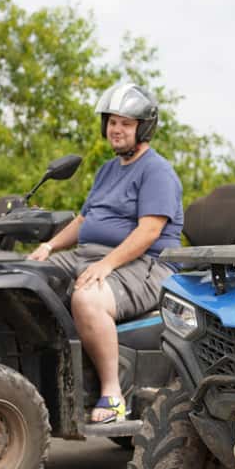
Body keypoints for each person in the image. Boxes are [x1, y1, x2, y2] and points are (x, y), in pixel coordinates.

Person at [28, 82, 184, 423]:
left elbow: (149, 231)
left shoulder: (157, 171)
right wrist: (49, 246)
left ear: (143, 128)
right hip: (89, 254)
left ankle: (113, 395)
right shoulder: (108, 170)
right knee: (26, 279)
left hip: (146, 263)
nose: (116, 129)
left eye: (126, 123)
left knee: (88, 298)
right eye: (112, 122)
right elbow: (84, 220)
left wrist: (107, 265)